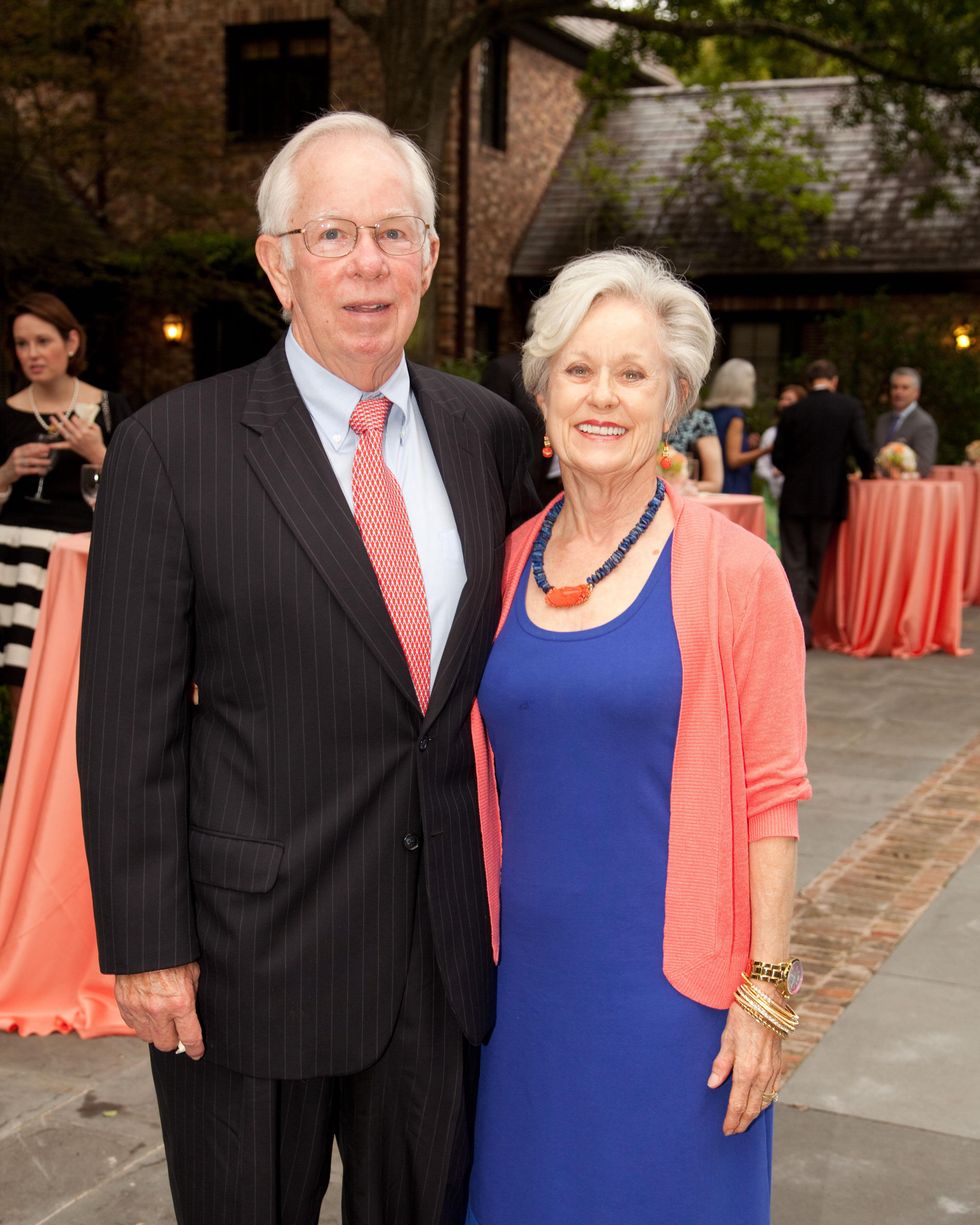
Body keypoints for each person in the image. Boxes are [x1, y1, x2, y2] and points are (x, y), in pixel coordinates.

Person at [77, 111, 538, 1225]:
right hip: (246, 966)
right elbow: (126, 726)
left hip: (439, 962)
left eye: (393, 231)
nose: (367, 263)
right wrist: (147, 946)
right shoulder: (172, 450)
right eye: (332, 233)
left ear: (432, 256)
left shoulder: (491, 436)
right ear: (276, 260)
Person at [465, 250, 811, 1225]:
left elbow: (771, 796)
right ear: (540, 396)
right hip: (516, 999)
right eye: (577, 370)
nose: (601, 396)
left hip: (676, 1004)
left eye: (632, 373)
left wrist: (765, 994)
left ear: (675, 401)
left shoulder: (737, 575)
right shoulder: (497, 567)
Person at [1, 293, 131, 716]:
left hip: (80, 560)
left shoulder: (110, 409)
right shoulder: (7, 414)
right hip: (17, 560)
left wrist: (97, 451)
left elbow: (145, 494)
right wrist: (6, 472)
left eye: (43, 341)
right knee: (20, 681)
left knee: (80, 678)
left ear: (71, 342)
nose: (32, 354)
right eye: (22, 344)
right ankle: (23, 778)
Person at [772, 359, 875, 646]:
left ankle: (796, 627)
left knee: (794, 563)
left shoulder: (793, 412)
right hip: (829, 498)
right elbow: (862, 448)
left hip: (794, 496)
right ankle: (804, 627)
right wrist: (868, 473)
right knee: (816, 564)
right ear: (835, 380)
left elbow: (778, 456)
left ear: (808, 382)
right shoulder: (848, 407)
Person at [703, 357, 770, 493]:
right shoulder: (735, 416)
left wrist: (746, 443)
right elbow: (733, 460)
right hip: (732, 485)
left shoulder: (712, 413)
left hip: (713, 480)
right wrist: (766, 450)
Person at [755, 383, 807, 550]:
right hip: (771, 494)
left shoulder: (805, 433)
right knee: (771, 536)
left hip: (794, 493)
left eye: (789, 399)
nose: (784, 402)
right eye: (782, 398)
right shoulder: (771, 433)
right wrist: (772, 474)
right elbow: (761, 466)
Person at [873, 366, 938, 476]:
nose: (898, 392)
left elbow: (923, 466)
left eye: (905, 388)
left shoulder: (924, 424)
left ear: (916, 393)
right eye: (895, 387)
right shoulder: (882, 421)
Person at [665, 403, 724, 491]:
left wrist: (675, 488)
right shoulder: (647, 419)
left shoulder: (699, 420)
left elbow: (714, 483)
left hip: (682, 499)